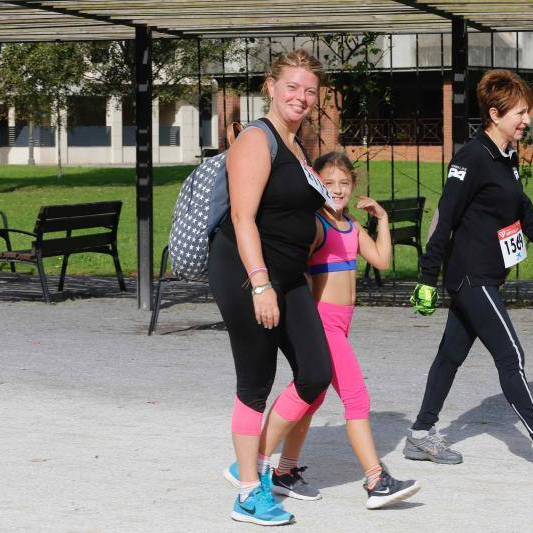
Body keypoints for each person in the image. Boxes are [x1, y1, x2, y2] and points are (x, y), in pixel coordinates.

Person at [405, 69, 533, 472]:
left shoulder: (506, 158)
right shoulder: (471, 158)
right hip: (472, 277)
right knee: (511, 355)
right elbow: (445, 219)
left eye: (527, 112)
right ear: (495, 114)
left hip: (486, 276)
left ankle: (420, 434)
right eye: (520, 113)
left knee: (450, 356)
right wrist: (426, 278)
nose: (527, 120)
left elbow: (524, 216)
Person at [225, 152, 420, 509]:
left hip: (342, 324)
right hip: (324, 322)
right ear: (316, 184)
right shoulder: (317, 225)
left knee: (310, 400)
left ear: (353, 186)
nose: (338, 189)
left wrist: (384, 220)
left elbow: (382, 260)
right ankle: (376, 480)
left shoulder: (352, 227)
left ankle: (282, 471)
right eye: (328, 183)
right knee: (357, 398)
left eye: (344, 183)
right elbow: (290, 259)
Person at [208, 49, 337, 526]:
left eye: (309, 90)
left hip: (288, 275)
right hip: (248, 273)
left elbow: (297, 210)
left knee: (315, 372)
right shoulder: (255, 141)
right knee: (256, 381)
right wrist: (261, 285)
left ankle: (252, 461)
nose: (301, 97)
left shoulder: (296, 144)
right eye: (292, 87)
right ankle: (247, 492)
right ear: (270, 85)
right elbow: (243, 218)